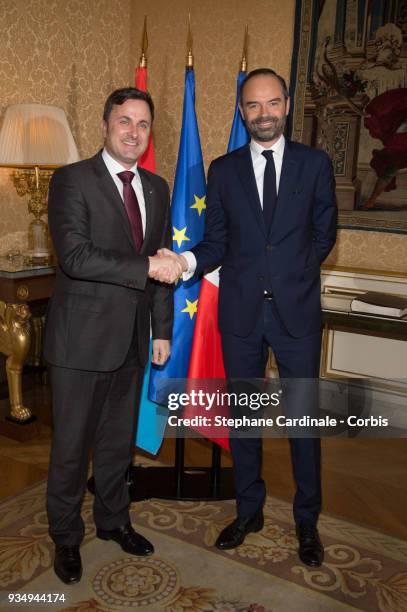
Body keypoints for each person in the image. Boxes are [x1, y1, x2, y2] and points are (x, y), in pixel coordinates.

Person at [160, 68, 337, 567]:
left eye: (272, 103)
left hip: (296, 312)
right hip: (239, 314)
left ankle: (307, 520)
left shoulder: (315, 163)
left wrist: (292, 274)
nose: (264, 114)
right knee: (244, 417)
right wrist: (188, 262)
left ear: (286, 104)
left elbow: (324, 234)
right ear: (242, 111)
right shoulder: (223, 168)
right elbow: (215, 241)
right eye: (253, 106)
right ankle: (248, 510)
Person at [44, 87, 181, 584]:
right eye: (124, 121)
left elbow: (162, 263)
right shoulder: (72, 180)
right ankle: (65, 536)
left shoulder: (158, 187)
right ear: (105, 126)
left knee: (117, 443)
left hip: (133, 340)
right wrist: (146, 266)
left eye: (143, 125)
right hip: (79, 341)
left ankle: (113, 520)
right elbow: (75, 257)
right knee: (70, 447)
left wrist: (161, 330)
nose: (133, 132)